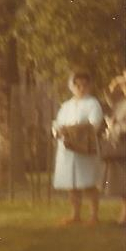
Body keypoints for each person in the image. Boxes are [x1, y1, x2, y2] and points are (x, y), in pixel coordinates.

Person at [52, 70, 104, 225]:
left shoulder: (92, 103)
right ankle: (75, 214)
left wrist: (73, 130)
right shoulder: (66, 105)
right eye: (77, 85)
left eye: (84, 85)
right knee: (71, 183)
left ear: (89, 86)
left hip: (84, 148)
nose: (81, 88)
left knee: (87, 181)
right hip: (67, 148)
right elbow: (58, 123)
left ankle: (94, 215)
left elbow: (95, 124)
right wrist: (58, 130)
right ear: (71, 86)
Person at [102, 71, 126, 226]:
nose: (124, 88)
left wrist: (114, 127)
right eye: (124, 85)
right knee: (123, 181)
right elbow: (108, 100)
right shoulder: (121, 103)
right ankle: (125, 213)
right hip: (119, 145)